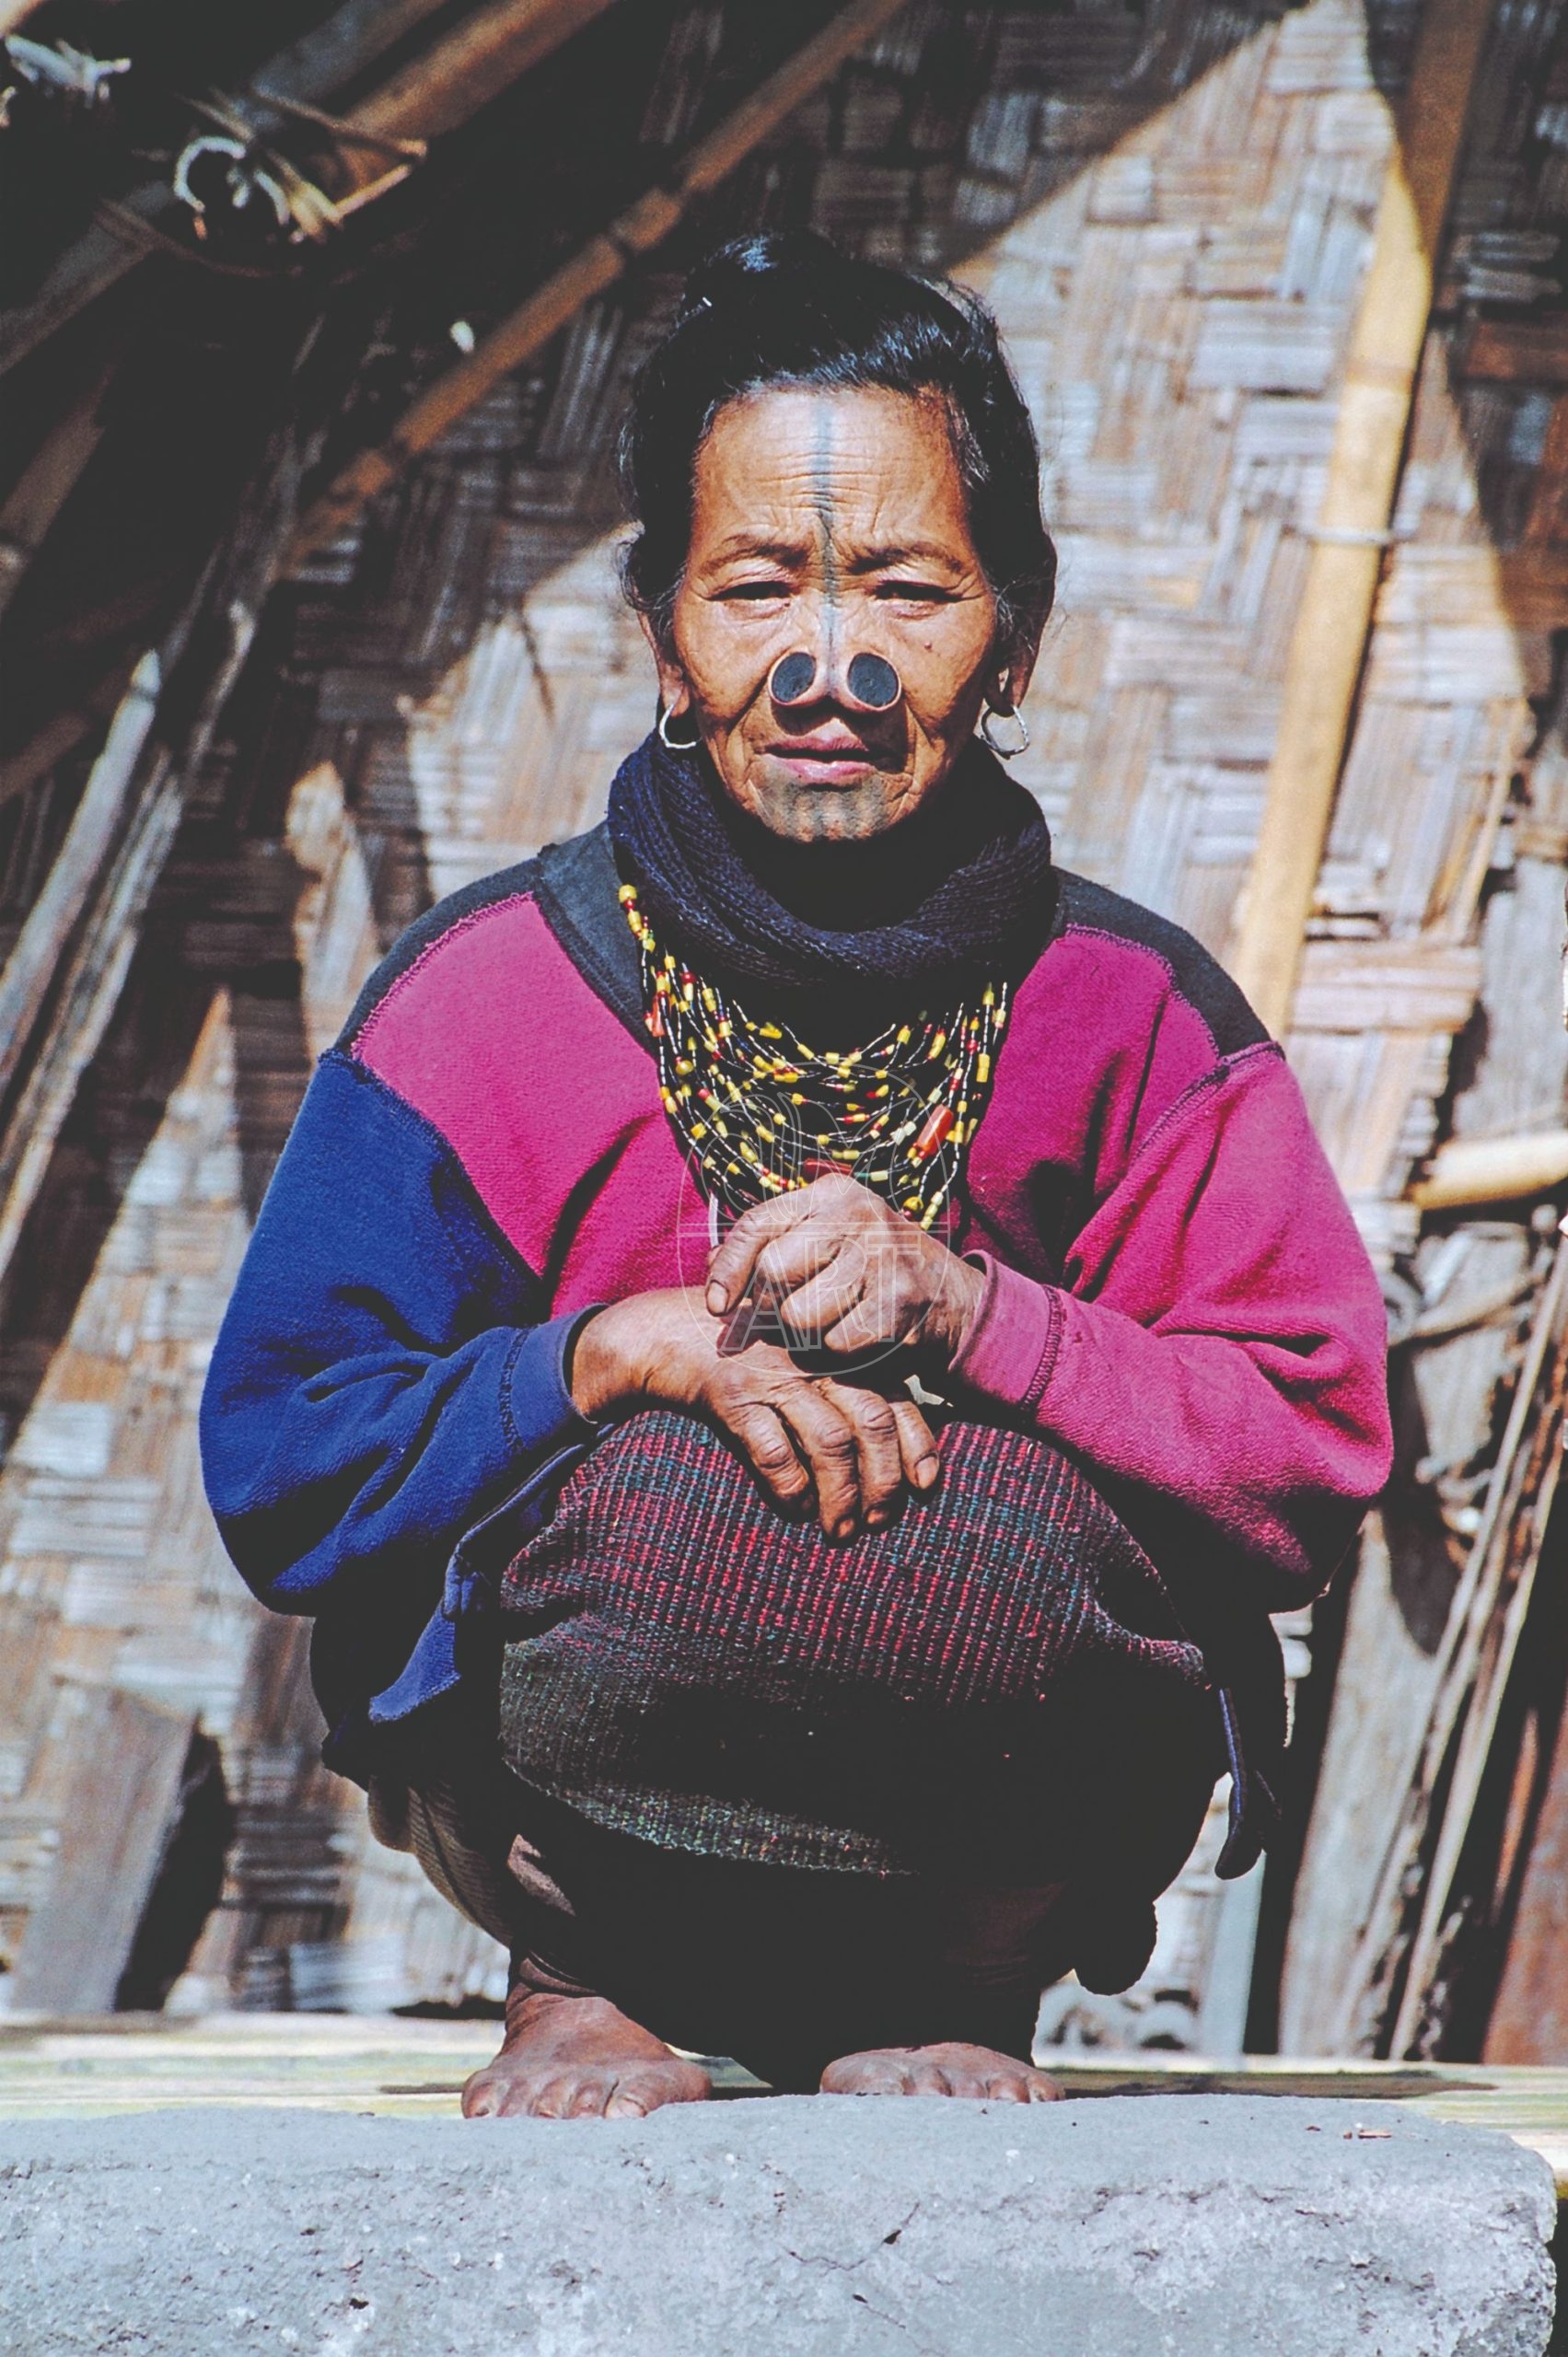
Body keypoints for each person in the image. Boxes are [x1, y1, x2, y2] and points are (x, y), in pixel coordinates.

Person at [201, 231, 1391, 2117]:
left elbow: (1312, 1441)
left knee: (997, 1526)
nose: (829, 665)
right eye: (758, 584)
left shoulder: (1139, 1018)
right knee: (663, 1483)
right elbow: (286, 1457)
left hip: (1008, 1861)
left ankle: (950, 1985)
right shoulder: (484, 1003)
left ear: (1016, 633)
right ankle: (581, 1979)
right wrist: (603, 1356)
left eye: (908, 589)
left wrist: (978, 1312)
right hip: (551, 1838)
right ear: (665, 632)